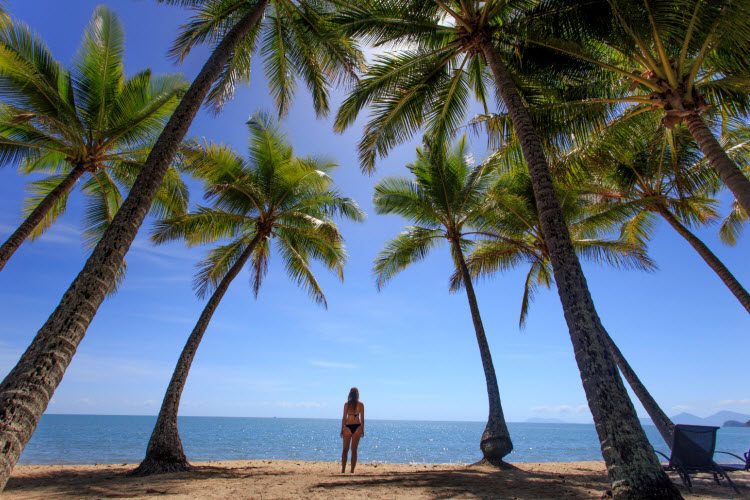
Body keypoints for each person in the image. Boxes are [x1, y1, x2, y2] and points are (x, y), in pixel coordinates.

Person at [340, 387, 364, 473]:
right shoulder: (361, 405)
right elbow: (362, 419)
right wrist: (362, 430)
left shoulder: (346, 404)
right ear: (357, 394)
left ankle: (343, 470)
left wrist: (342, 429)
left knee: (345, 450)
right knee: (354, 450)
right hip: (357, 427)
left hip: (347, 427)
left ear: (350, 394)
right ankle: (352, 471)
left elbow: (344, 418)